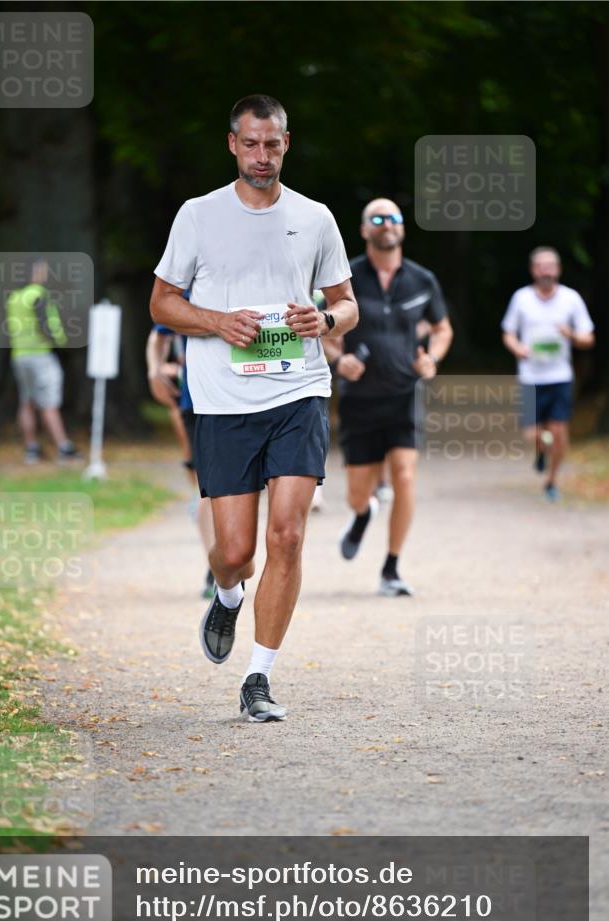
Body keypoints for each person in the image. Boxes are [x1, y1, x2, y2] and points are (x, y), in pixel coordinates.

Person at [150, 94, 358, 721]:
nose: (261, 155)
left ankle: (258, 678)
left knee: (288, 535)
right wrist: (217, 321)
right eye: (250, 144)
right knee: (235, 551)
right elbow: (162, 304)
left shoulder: (316, 218)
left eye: (272, 144)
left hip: (298, 391)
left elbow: (347, 305)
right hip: (222, 401)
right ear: (232, 145)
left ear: (286, 145)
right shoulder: (198, 216)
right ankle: (227, 594)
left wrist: (322, 318)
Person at [324, 198, 453, 596]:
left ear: (402, 227)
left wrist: (431, 358)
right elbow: (321, 332)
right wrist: (339, 359)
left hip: (403, 395)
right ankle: (363, 515)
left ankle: (391, 569)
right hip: (360, 399)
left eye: (393, 217)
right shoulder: (344, 278)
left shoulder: (421, 279)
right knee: (356, 493)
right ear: (364, 230)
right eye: (376, 219)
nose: (386, 224)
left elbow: (442, 328)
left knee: (405, 476)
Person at [501, 246, 595, 501]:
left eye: (550, 266)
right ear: (533, 270)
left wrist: (571, 335)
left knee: (559, 429)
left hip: (559, 376)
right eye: (540, 266)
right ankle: (541, 448)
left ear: (558, 269)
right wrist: (517, 348)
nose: (545, 271)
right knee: (533, 433)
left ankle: (551, 480)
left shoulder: (571, 299)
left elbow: (588, 338)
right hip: (530, 376)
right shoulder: (521, 298)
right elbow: (508, 332)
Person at [146, 323, 215, 598]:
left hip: (250, 400)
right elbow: (159, 332)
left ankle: (227, 561)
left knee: (240, 488)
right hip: (197, 402)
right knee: (207, 488)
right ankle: (216, 569)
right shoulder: (191, 282)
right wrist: (155, 371)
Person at [6, 260, 79, 464]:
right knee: (49, 402)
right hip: (41, 355)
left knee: (27, 402)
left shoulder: (14, 297)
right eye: (43, 271)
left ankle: (31, 449)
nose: (45, 275)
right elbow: (44, 324)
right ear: (35, 272)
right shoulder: (38, 293)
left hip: (19, 355)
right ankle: (63, 447)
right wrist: (60, 341)